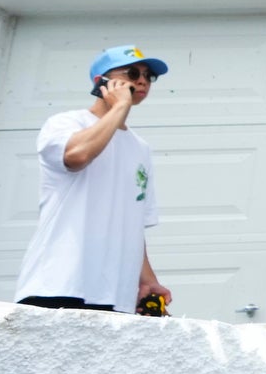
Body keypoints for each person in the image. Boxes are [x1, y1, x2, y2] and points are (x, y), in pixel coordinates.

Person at [14, 45, 171, 315]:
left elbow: (134, 222)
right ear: (102, 82)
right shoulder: (66, 123)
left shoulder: (140, 148)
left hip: (115, 294)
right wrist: (119, 106)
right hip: (60, 283)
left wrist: (147, 280)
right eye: (132, 73)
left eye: (149, 76)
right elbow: (77, 156)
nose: (142, 80)